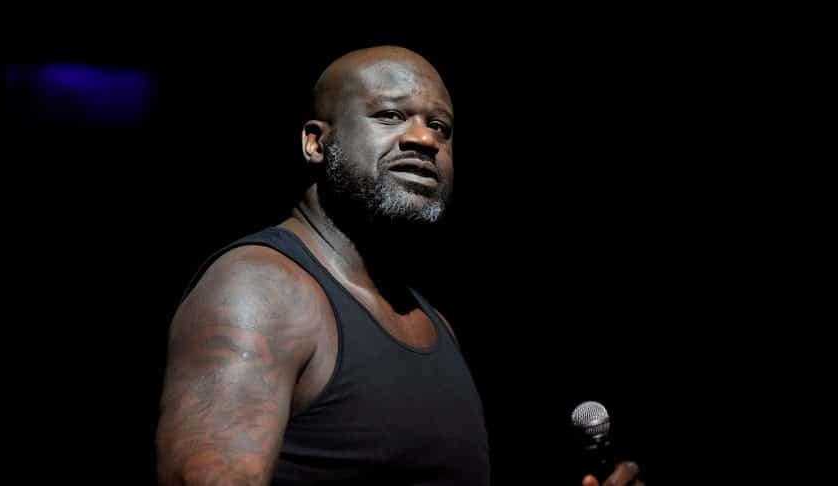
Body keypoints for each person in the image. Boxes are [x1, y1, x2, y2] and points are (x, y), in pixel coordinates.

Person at [156, 45, 642, 485]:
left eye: (440, 127)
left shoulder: (434, 323)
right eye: (390, 115)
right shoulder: (261, 287)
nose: (425, 139)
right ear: (315, 143)